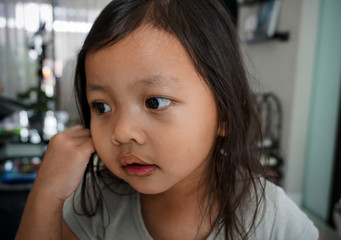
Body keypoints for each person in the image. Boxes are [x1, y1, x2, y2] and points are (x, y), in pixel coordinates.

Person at [16, 0, 320, 239]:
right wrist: (46, 194)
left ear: (224, 114)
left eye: (155, 102)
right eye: (102, 106)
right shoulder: (96, 201)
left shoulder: (268, 214)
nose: (121, 133)